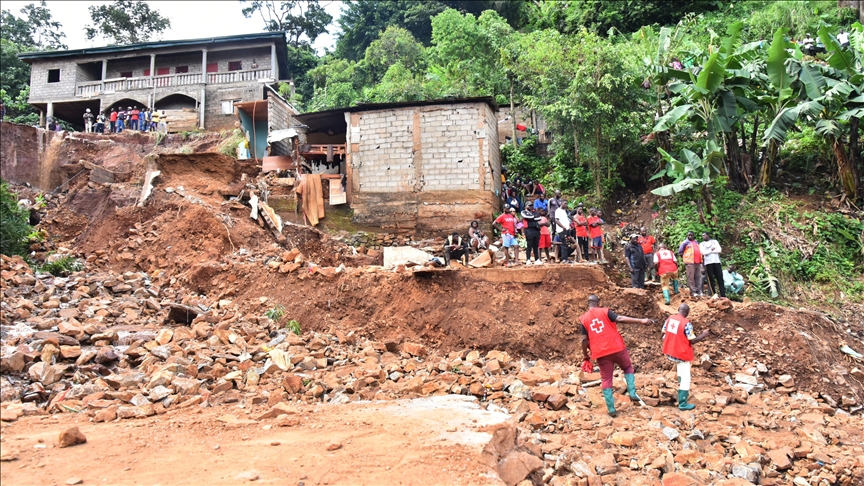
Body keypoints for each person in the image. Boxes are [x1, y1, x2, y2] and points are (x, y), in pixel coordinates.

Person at [579, 294, 654, 417]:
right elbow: (620, 319)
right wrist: (641, 320)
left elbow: (583, 340)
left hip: (601, 353)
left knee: (606, 379)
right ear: (598, 302)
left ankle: (611, 409)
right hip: (617, 347)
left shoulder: (584, 319)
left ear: (588, 304)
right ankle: (632, 392)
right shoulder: (605, 311)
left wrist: (585, 356)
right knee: (628, 367)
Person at [662, 303, 710, 410]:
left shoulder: (669, 319)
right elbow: (692, 340)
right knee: (686, 378)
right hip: (681, 354)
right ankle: (683, 403)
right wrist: (704, 334)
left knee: (681, 372)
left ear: (678, 309)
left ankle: (680, 388)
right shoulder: (686, 324)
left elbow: (664, 334)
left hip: (670, 351)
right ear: (687, 313)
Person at [699, 232, 725, 298]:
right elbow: (703, 252)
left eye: (704, 235)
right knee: (711, 279)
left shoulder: (714, 242)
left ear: (708, 235)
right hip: (708, 263)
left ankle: (723, 294)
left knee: (720, 278)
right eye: (702, 236)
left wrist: (709, 252)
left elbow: (719, 250)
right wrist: (711, 249)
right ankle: (714, 294)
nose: (703, 237)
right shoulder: (701, 244)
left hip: (716, 262)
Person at [678, 231, 703, 297]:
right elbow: (680, 252)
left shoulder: (696, 242)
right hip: (690, 262)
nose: (690, 236)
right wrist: (686, 258)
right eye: (689, 235)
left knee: (698, 277)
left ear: (694, 235)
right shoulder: (685, 243)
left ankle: (699, 290)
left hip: (697, 262)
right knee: (691, 277)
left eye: (691, 235)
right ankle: (693, 292)